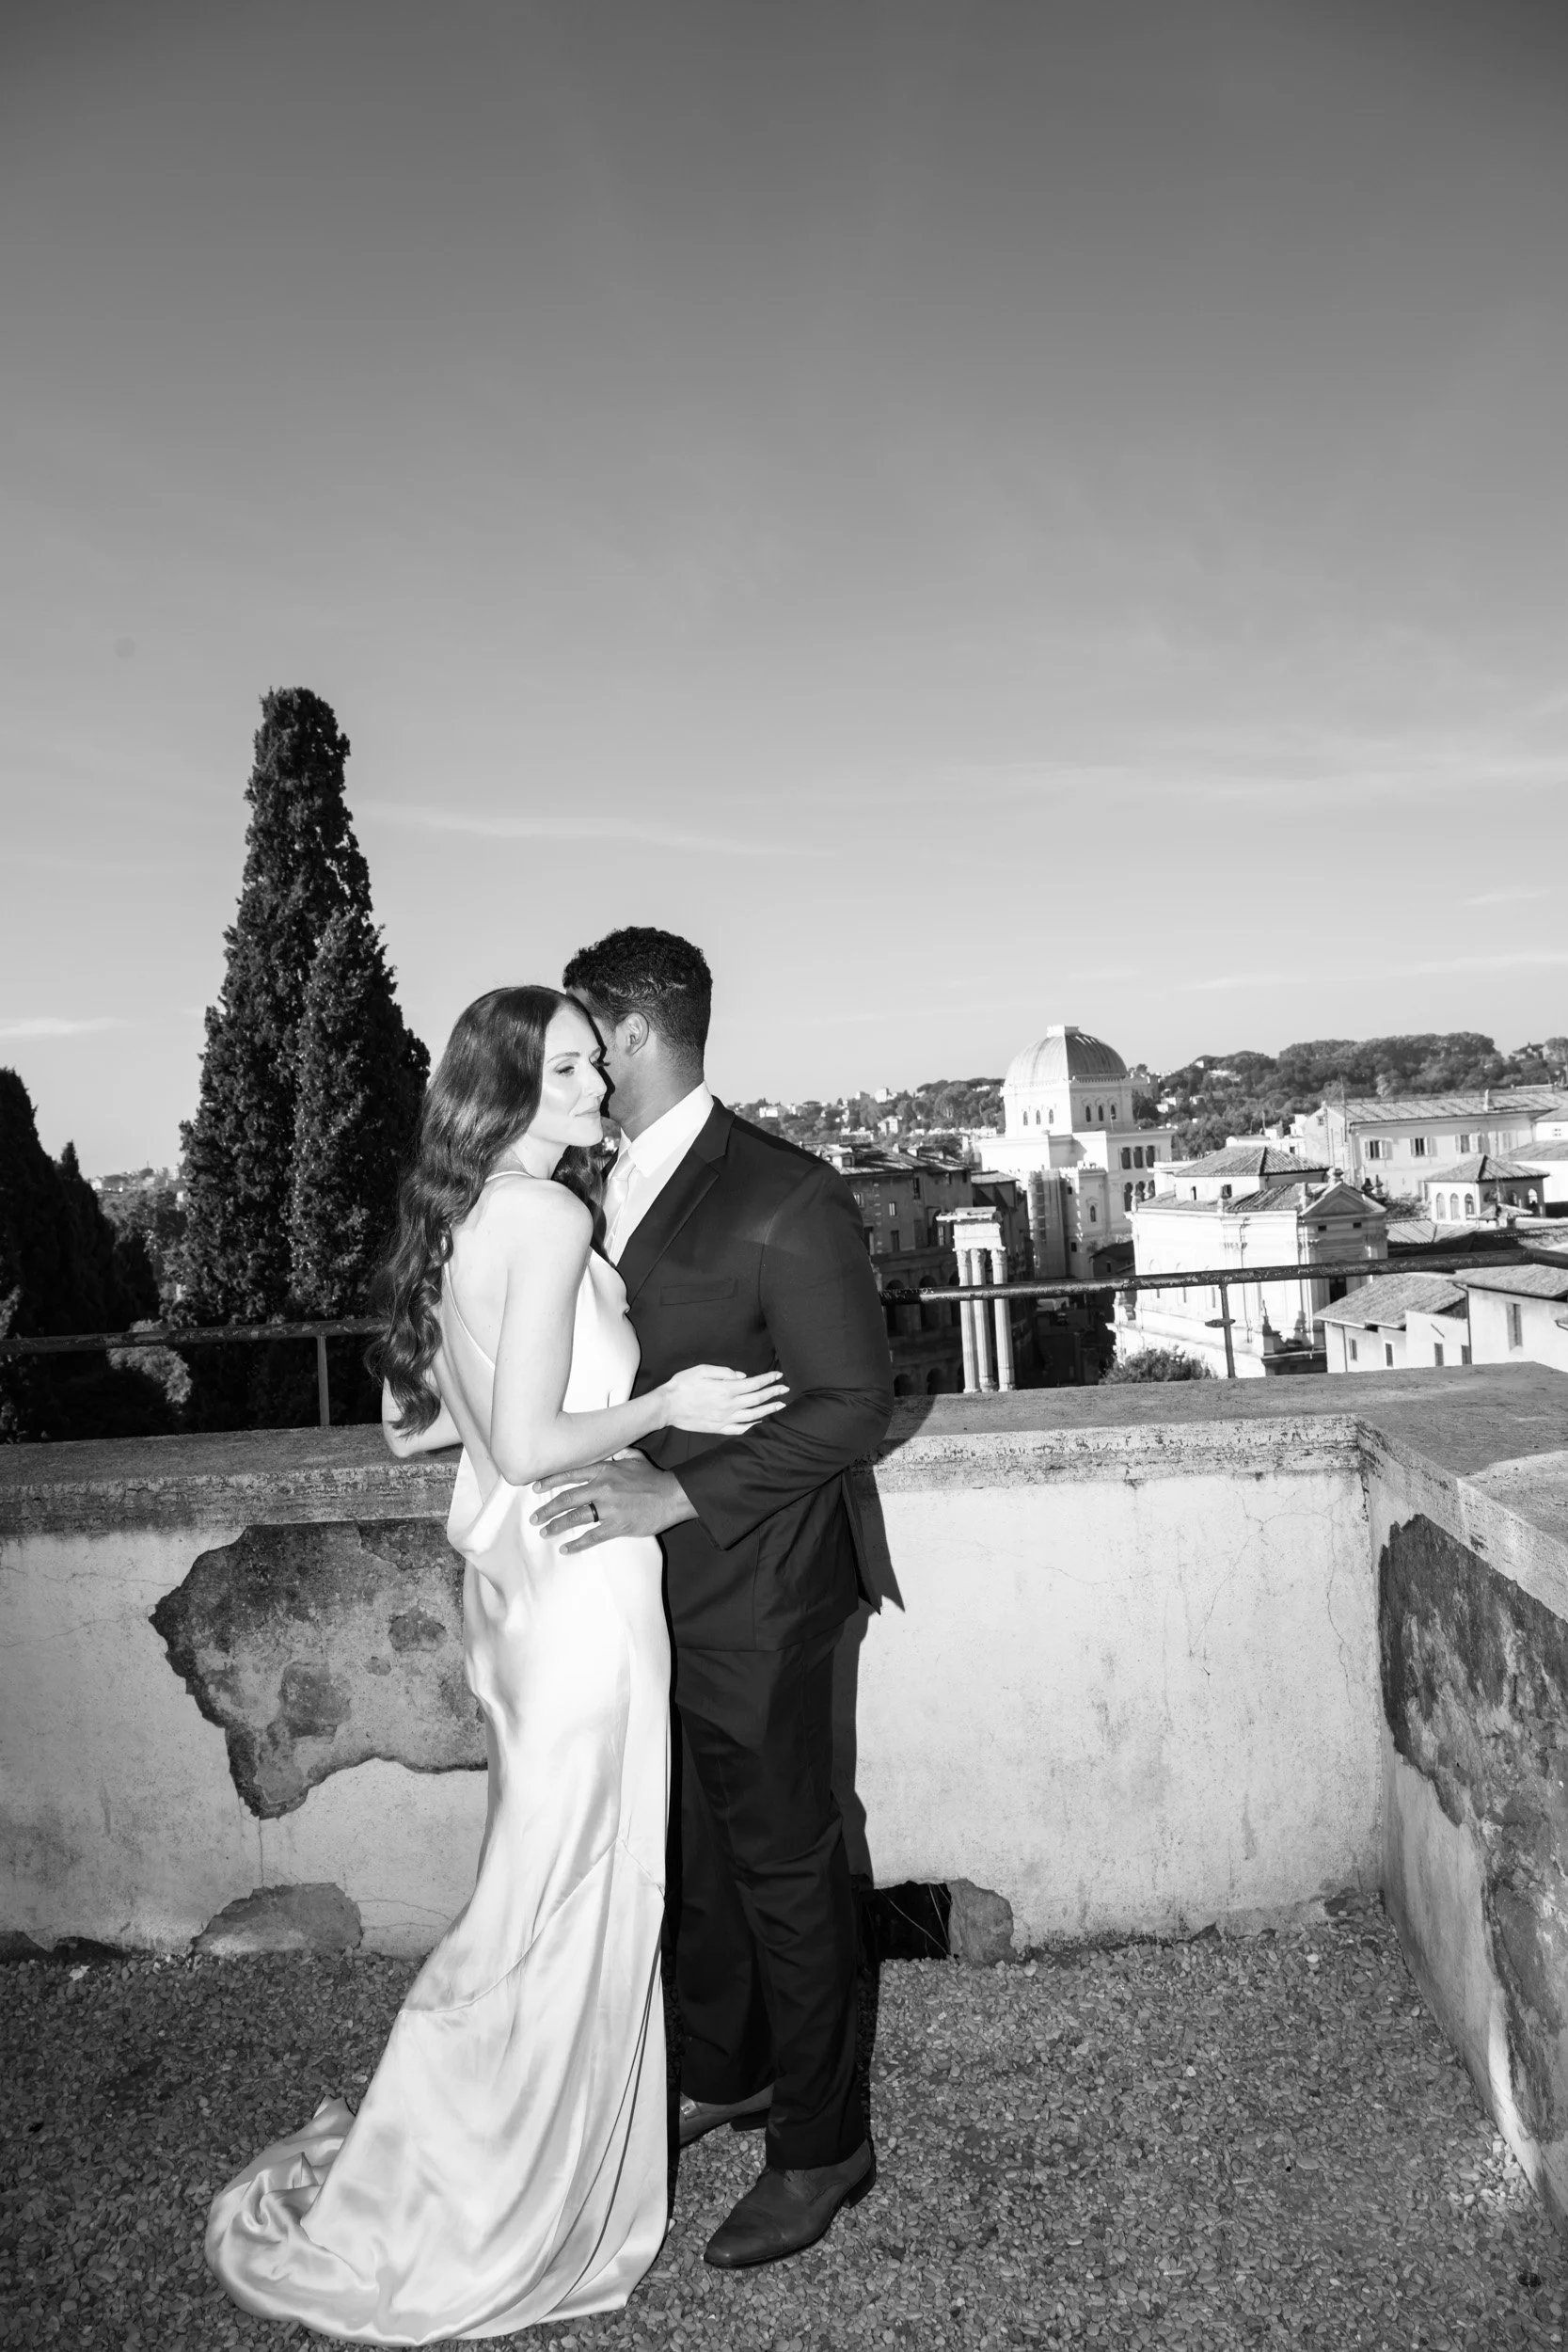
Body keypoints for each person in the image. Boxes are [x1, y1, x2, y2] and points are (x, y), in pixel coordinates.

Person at [203, 985, 785, 2345]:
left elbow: (426, 1432)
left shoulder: (467, 1215)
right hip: (579, 1589)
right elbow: (527, 1445)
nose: (597, 1083)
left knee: (539, 1890)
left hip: (523, 1593)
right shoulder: (549, 1212)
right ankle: (501, 2198)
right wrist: (666, 1406)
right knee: (569, 1896)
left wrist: (539, 1409)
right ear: (507, 1085)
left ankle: (471, 2166)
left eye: (596, 1060)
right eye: (569, 1066)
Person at [533, 928, 895, 2269]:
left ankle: (821, 2147)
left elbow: (853, 1408)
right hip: (640, 1599)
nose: (563, 1062)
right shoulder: (590, 1178)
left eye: (580, 1037)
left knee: (790, 1867)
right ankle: (726, 2069)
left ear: (629, 1036)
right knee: (694, 1853)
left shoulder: (786, 1196)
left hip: (763, 1588)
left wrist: (677, 1498)